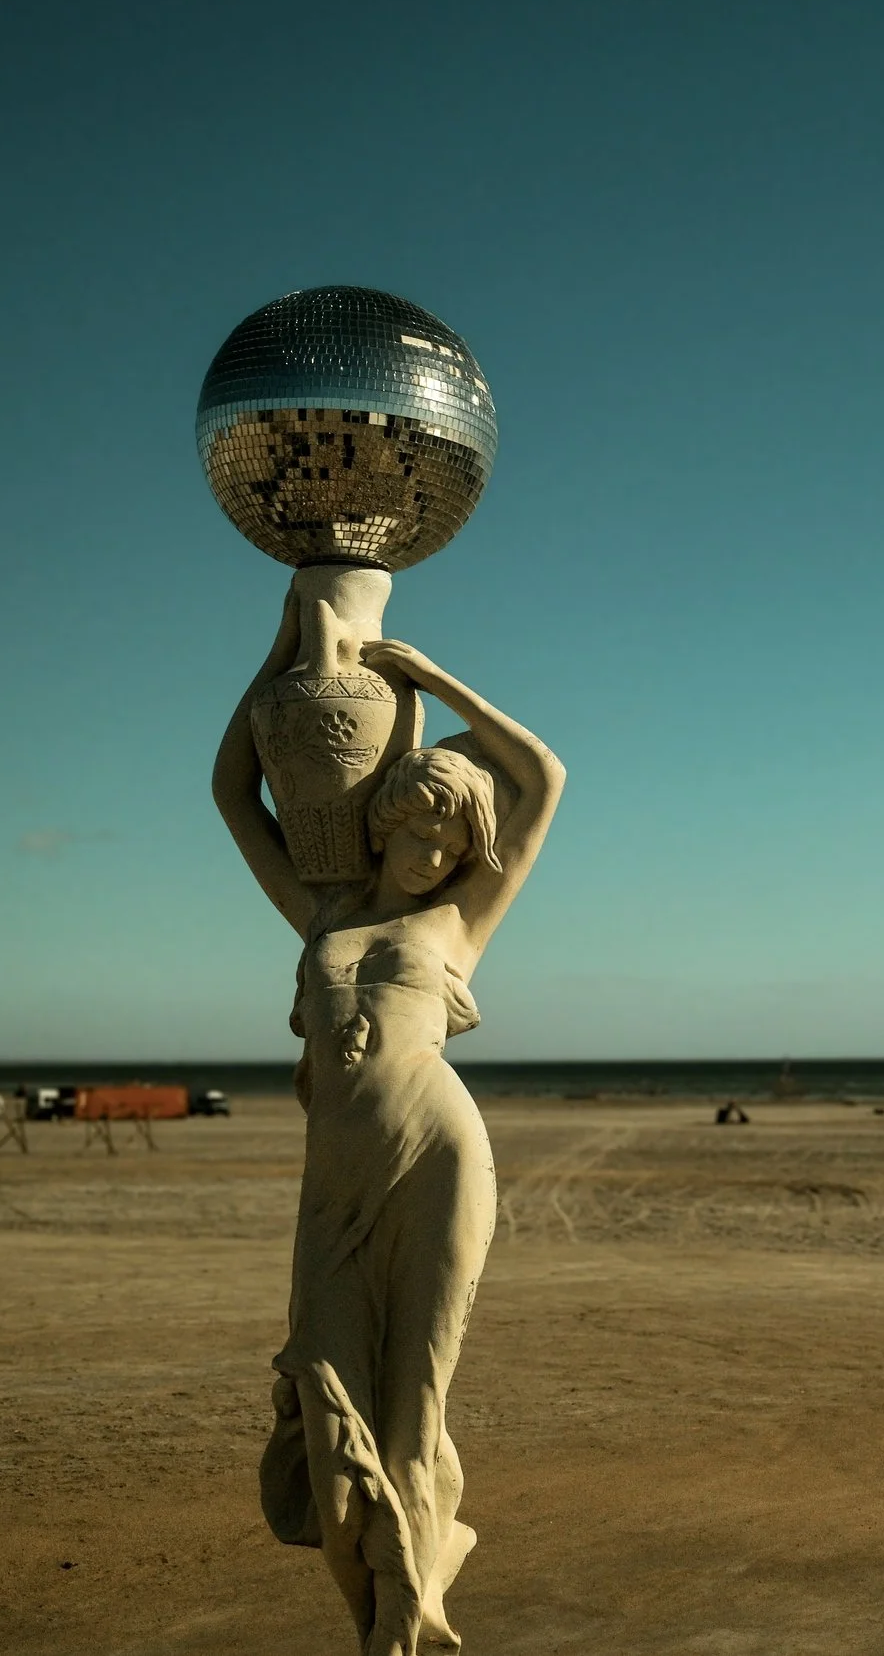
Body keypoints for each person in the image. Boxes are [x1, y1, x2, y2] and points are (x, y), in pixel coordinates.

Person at [214, 592, 563, 1656]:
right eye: (416, 819)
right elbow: (233, 790)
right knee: (327, 1399)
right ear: (385, 813)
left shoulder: (461, 921)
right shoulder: (321, 910)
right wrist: (281, 648)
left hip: (439, 1156)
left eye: (451, 833)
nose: (428, 845)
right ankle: (395, 1586)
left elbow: (543, 777)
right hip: (338, 1182)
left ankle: (403, 1622)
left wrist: (439, 681)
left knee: (414, 1406)